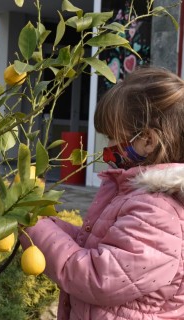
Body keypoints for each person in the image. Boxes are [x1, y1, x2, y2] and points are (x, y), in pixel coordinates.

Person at [20, 67, 184, 319]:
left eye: (111, 137)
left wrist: (34, 229)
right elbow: (96, 246)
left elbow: (98, 276)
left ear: (148, 140)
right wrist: (40, 221)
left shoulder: (157, 210)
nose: (107, 146)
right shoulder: (140, 197)